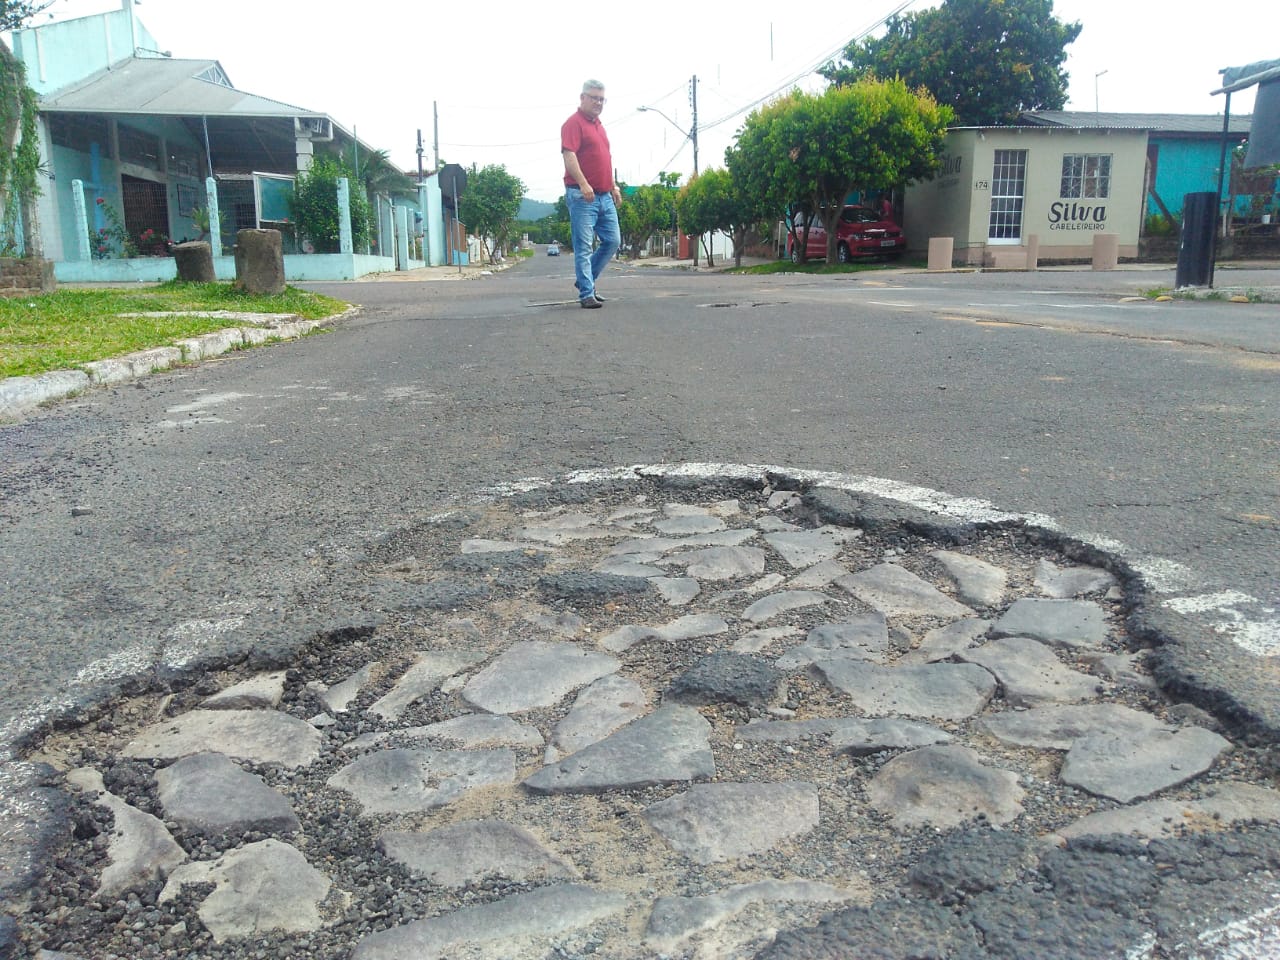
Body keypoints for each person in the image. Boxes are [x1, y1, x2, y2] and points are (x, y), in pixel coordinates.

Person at [561, 79, 622, 309]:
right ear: (582, 98)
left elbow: (605, 159)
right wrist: (584, 184)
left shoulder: (599, 125)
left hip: (605, 195)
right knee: (584, 246)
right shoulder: (573, 124)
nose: (598, 102)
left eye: (601, 99)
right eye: (594, 97)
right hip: (582, 195)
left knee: (613, 240)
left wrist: (613, 186)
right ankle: (587, 293)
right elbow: (569, 155)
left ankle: (586, 281)